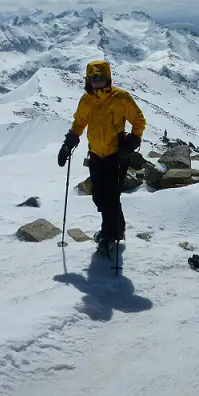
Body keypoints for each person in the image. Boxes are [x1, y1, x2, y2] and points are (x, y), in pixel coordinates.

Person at [57, 60, 146, 254]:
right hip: (96, 154)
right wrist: (68, 144)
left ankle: (108, 235)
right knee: (98, 195)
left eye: (100, 77)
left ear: (108, 78)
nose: (96, 81)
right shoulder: (86, 100)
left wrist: (131, 143)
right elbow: (79, 123)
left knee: (111, 197)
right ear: (88, 79)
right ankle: (118, 228)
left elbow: (138, 121)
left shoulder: (120, 98)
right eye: (93, 78)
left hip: (117, 155)